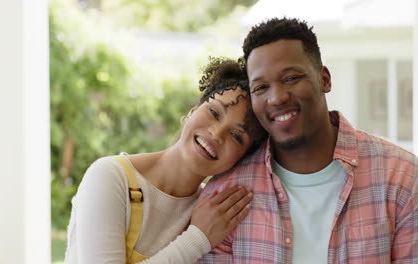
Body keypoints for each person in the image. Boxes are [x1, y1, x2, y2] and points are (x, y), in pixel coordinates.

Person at [198, 18, 417, 263]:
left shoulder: (402, 178)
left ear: (324, 79)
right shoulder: (224, 196)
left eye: (290, 78)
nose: (277, 98)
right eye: (260, 88)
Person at [64, 57, 267, 264]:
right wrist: (198, 238)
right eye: (214, 112)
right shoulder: (110, 176)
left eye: (236, 136)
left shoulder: (212, 211)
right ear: (192, 111)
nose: (216, 133)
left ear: (242, 158)